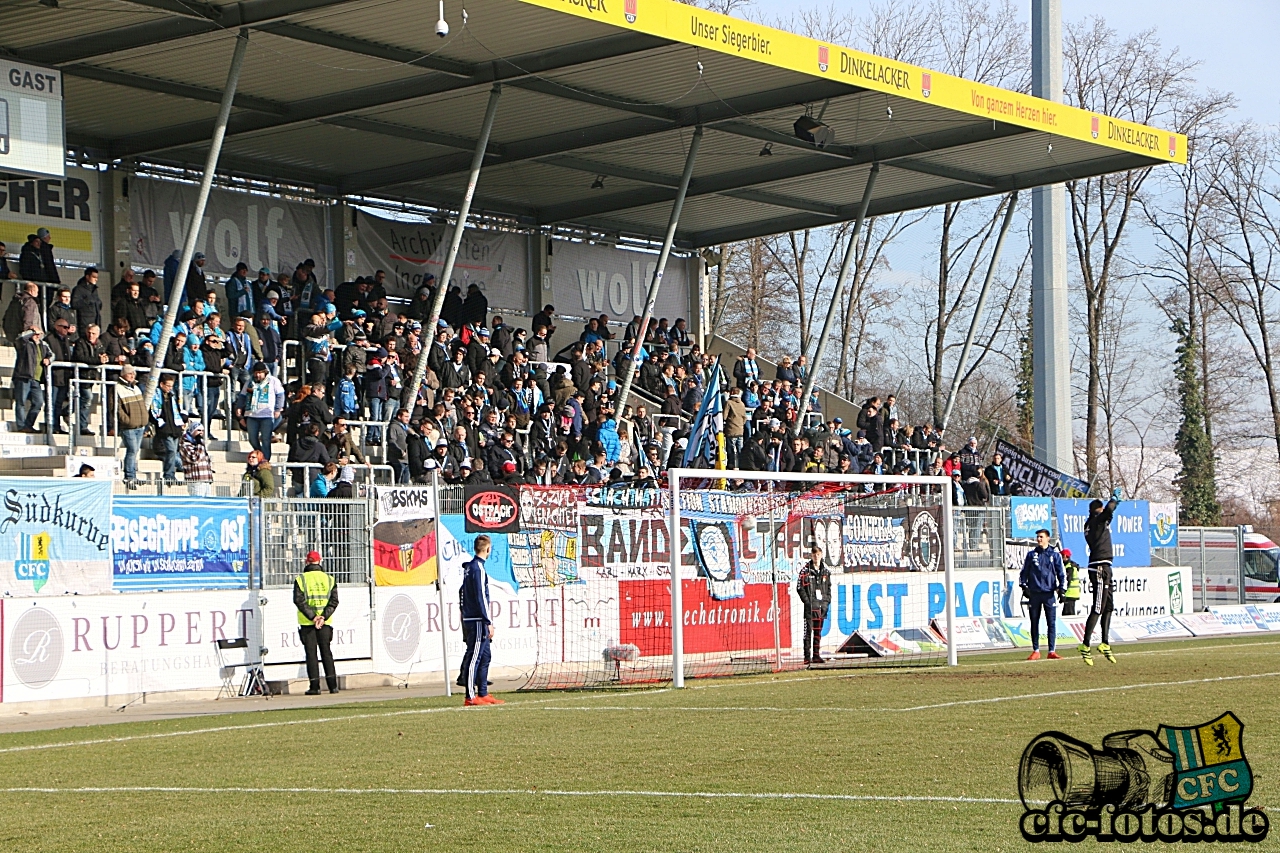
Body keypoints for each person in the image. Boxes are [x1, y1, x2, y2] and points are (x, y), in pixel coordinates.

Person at [459, 535, 503, 706]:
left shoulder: (470, 567)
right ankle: (470, 696)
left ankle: (483, 693)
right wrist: (487, 620)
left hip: (473, 617)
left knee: (485, 656)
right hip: (477, 619)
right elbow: (481, 597)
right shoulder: (477, 568)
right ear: (488, 549)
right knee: (475, 656)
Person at [1079, 489, 1122, 665]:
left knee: (1109, 606)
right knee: (1098, 606)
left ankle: (1105, 642)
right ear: (1099, 509)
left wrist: (1114, 505)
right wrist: (1113, 501)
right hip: (1099, 567)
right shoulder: (1095, 521)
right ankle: (1085, 644)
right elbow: (1108, 513)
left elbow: (1109, 515)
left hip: (1105, 566)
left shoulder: (1094, 522)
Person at [293, 550, 339, 695]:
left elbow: (299, 600)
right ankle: (333, 686)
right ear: (320, 561)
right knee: (327, 653)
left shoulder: (301, 579)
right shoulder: (329, 579)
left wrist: (313, 617)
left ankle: (315, 687)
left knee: (311, 654)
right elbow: (334, 601)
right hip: (325, 622)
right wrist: (322, 617)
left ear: (307, 562)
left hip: (308, 623)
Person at [1019, 529, 1065, 661]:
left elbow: (1061, 573)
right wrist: (1024, 587)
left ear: (1047, 538)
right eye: (1038, 537)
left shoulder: (1054, 554)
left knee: (1051, 622)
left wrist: (1062, 590)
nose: (1039, 539)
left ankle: (1051, 650)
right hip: (1035, 594)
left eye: (1041, 537)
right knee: (1034, 622)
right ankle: (1036, 650)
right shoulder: (1031, 555)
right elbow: (1024, 573)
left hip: (1049, 594)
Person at [796, 545, 831, 665]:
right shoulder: (805, 570)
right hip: (810, 607)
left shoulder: (826, 571)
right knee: (808, 632)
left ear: (821, 555)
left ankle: (816, 655)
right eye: (814, 554)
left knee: (818, 632)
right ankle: (807, 656)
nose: (816, 557)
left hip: (821, 607)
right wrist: (807, 602)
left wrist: (826, 603)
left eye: (818, 554)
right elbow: (800, 588)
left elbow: (828, 589)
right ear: (811, 555)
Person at [115, 365, 148, 486]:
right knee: (132, 450)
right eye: (129, 374)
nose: (132, 375)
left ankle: (133, 474)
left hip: (139, 425)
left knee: (135, 451)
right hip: (128, 426)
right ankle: (129, 476)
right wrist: (127, 421)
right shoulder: (117, 388)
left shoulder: (136, 388)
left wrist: (144, 419)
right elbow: (116, 409)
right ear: (123, 374)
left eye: (133, 373)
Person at [1060, 548, 1081, 616]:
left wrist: (1063, 592)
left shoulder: (1069, 567)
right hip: (1073, 593)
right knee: (1069, 612)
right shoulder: (1072, 565)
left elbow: (1068, 580)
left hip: (1070, 593)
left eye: (1062, 556)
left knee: (1068, 614)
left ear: (1065, 556)